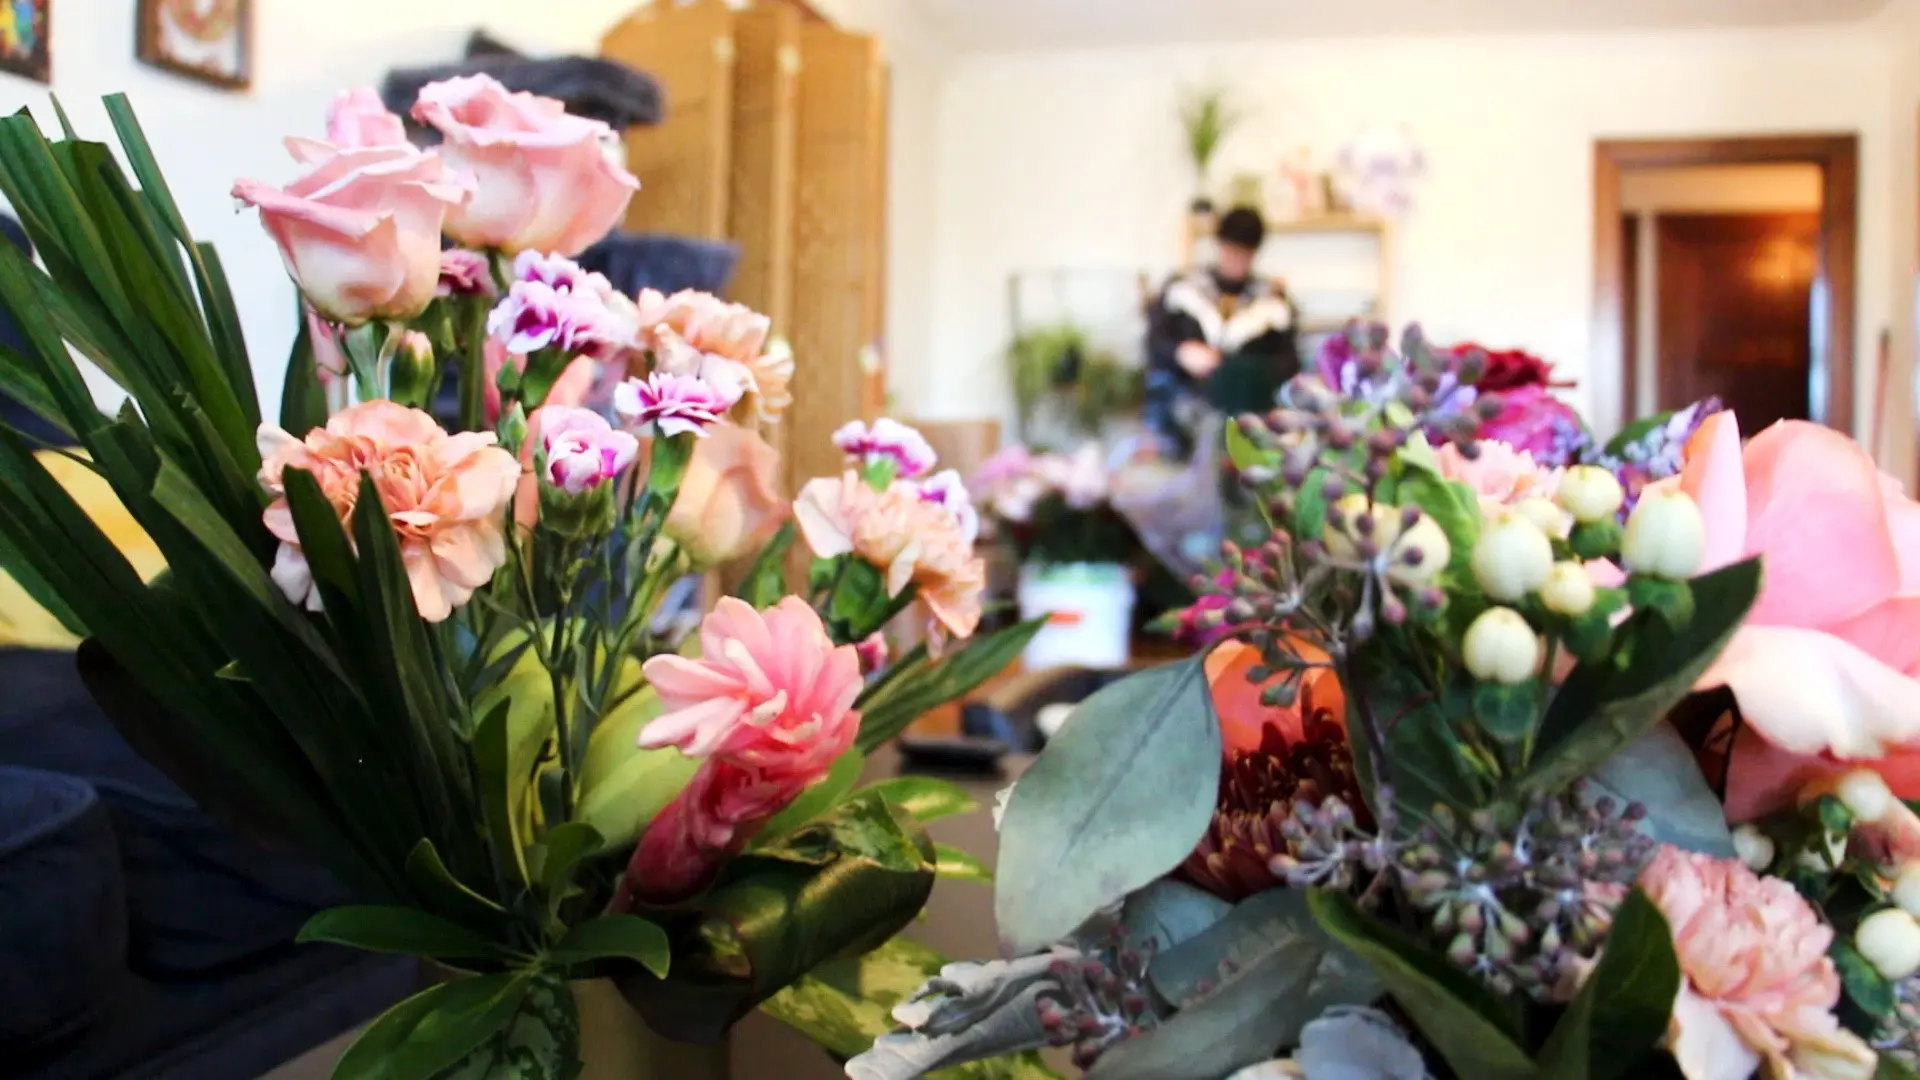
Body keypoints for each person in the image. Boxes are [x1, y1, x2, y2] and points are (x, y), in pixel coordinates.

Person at [1143, 206, 1302, 457]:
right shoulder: (1183, 289)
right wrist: (1181, 352)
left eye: (1244, 254)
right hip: (1184, 412)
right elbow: (1154, 341)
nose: (1236, 260)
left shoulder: (1273, 303)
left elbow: (1289, 362)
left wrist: (1243, 371)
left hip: (1247, 418)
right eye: (1230, 251)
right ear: (1219, 245)